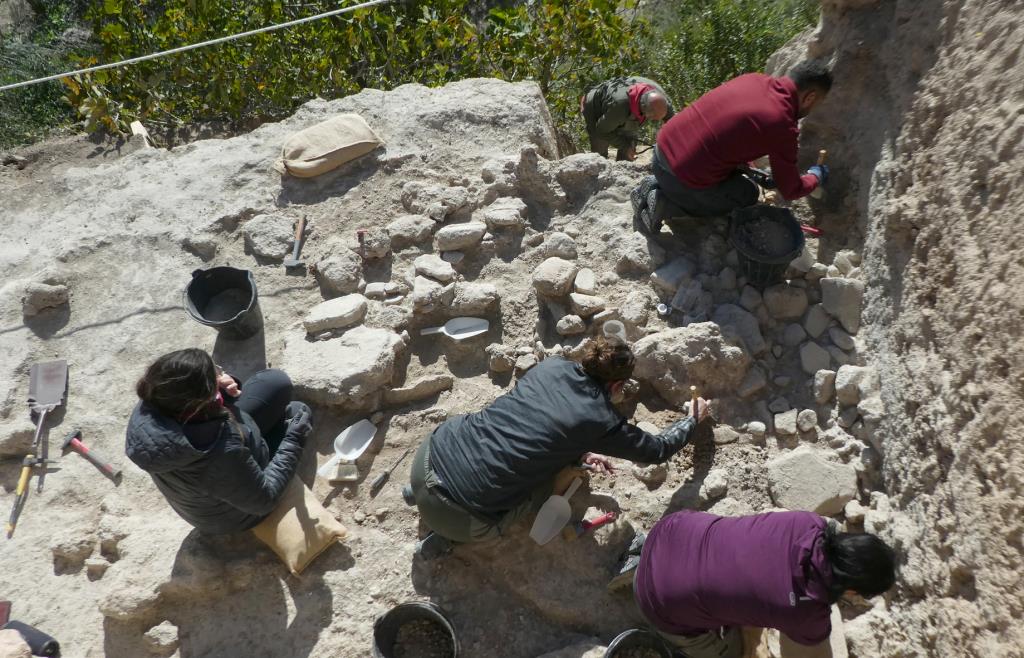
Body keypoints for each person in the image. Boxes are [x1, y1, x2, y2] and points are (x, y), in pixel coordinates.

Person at [407, 335, 710, 558]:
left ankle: (417, 493)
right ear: (617, 387)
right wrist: (692, 421)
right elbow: (657, 449)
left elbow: (534, 422)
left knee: (490, 426)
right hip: (459, 516)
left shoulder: (551, 367)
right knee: (546, 487)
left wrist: (580, 450)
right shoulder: (601, 419)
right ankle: (447, 538)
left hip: (427, 458)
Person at [614, 509, 896, 658]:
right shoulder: (807, 613)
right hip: (658, 602)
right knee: (735, 653)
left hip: (669, 532)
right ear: (851, 589)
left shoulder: (807, 523)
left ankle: (640, 559)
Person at [125, 348, 313, 534]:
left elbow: (199, 412)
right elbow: (264, 500)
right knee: (298, 412)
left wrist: (222, 392)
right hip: (239, 514)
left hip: (222, 464)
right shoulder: (215, 453)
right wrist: (294, 438)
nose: (218, 375)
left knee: (275, 381)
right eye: (213, 377)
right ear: (201, 400)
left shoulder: (154, 400)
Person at [633, 61, 832, 233]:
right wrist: (816, 175)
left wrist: (748, 167)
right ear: (809, 98)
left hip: (659, 155)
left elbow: (724, 131)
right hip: (681, 178)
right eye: (817, 104)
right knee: (747, 193)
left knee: (731, 176)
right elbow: (791, 190)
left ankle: (659, 186)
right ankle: (666, 204)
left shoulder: (754, 79)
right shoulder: (783, 124)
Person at [581, 76, 673, 161]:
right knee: (600, 150)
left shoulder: (662, 102)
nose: (655, 121)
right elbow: (602, 130)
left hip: (623, 109)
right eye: (653, 118)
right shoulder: (620, 107)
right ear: (642, 109)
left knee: (629, 149)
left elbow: (674, 126)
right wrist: (625, 146)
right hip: (595, 106)